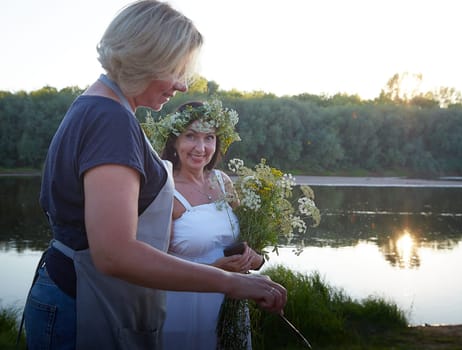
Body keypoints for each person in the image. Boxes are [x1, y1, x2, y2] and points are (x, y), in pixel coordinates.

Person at [21, 1, 286, 349]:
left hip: (75, 293)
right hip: (81, 304)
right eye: (176, 70)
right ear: (146, 59)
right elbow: (114, 253)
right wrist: (229, 282)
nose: (182, 86)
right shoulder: (110, 120)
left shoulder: (97, 106)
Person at [153, 100, 264, 349]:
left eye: (209, 137)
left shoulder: (223, 182)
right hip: (183, 305)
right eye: (191, 136)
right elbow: (152, 263)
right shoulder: (163, 189)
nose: (201, 147)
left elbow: (241, 242)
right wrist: (216, 270)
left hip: (231, 302)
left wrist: (253, 259)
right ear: (174, 141)